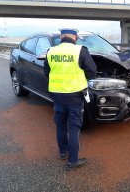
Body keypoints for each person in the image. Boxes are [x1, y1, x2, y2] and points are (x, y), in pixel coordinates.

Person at [44, 28, 97, 171]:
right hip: (74, 95)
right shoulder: (80, 51)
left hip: (56, 94)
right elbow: (92, 71)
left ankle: (63, 152)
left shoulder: (51, 51)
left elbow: (47, 73)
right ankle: (73, 161)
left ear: (61, 37)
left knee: (60, 125)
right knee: (73, 127)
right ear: (74, 37)